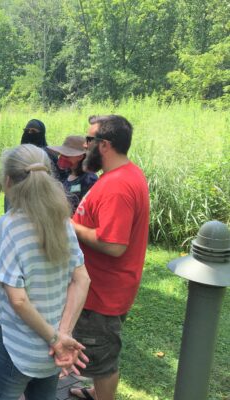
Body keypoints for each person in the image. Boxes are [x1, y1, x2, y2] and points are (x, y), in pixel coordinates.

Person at [0, 144, 91, 400]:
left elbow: (16, 298)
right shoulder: (63, 222)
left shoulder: (5, 227)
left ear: (8, 181)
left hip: (14, 346)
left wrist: (55, 340)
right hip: (52, 350)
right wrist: (63, 335)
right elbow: (82, 278)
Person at [69, 115, 149, 400]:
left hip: (103, 294)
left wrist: (70, 226)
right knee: (99, 357)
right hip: (106, 287)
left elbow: (114, 245)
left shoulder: (117, 186)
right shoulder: (123, 175)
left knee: (102, 362)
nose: (84, 144)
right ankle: (96, 392)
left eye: (89, 139)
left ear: (104, 145)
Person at [47, 135, 98, 214]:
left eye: (66, 156)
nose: (62, 158)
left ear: (80, 157)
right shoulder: (65, 173)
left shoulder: (89, 180)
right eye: (61, 154)